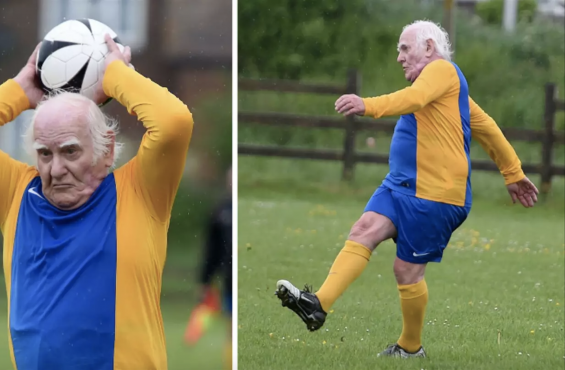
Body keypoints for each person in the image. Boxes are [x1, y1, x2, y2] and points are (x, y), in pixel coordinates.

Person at [0, 34, 193, 370]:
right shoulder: (16, 194)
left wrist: (115, 76)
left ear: (106, 150)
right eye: (44, 154)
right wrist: (19, 91)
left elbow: (174, 123)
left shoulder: (141, 193)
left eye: (70, 151)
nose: (56, 169)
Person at [274, 20, 539, 359]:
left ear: (429, 48)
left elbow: (414, 99)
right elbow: (487, 127)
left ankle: (411, 348)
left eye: (405, 48)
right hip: (401, 185)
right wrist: (513, 173)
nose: (399, 57)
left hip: (435, 194)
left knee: (407, 271)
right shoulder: (446, 91)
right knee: (364, 230)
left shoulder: (442, 71)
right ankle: (317, 305)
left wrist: (366, 105)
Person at [183, 166, 233, 369]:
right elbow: (211, 250)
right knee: (232, 330)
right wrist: (205, 281)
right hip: (230, 282)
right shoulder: (221, 211)